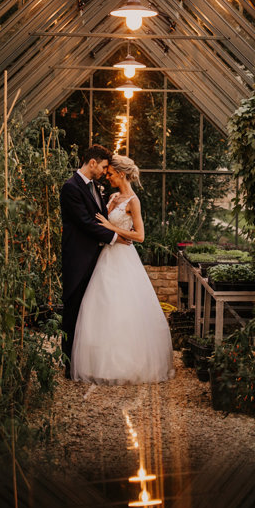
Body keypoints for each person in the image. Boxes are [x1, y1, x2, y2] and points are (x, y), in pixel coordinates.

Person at [71, 155, 175, 384]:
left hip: (124, 258)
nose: (106, 176)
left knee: (124, 308)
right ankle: (100, 364)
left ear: (121, 174)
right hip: (105, 257)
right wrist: (108, 229)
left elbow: (140, 235)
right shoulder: (112, 197)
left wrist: (111, 228)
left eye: (110, 173)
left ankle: (128, 365)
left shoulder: (133, 201)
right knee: (101, 306)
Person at [59, 144, 121, 375]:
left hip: (96, 258)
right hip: (77, 259)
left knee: (90, 312)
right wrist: (116, 237)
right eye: (104, 166)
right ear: (92, 163)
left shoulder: (96, 186)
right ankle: (69, 365)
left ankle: (86, 361)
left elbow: (98, 216)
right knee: (73, 310)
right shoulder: (70, 187)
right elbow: (85, 222)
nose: (105, 172)